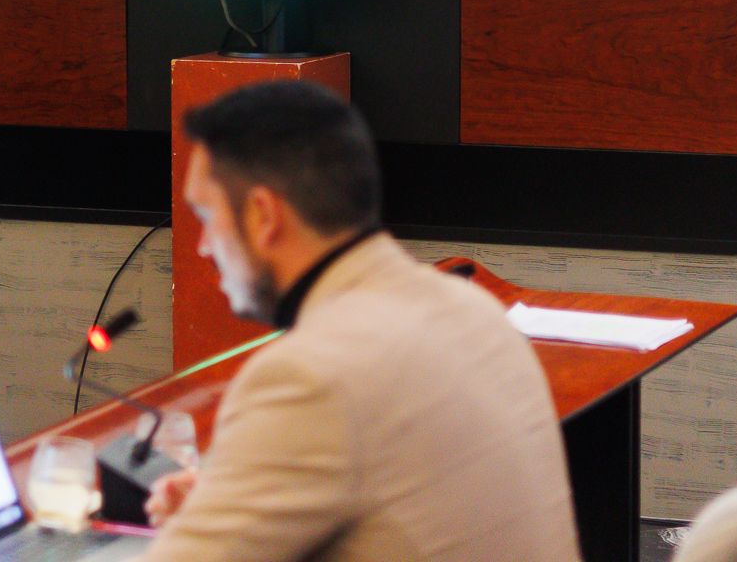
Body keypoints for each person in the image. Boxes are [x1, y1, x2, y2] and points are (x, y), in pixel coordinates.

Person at [142, 81, 581, 562]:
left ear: (264, 215)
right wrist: (230, 499)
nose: (203, 246)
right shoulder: (474, 309)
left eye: (206, 215)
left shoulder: (307, 377)